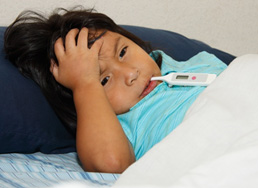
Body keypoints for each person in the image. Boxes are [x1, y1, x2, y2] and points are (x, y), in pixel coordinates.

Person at [4, 7, 227, 173]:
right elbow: (111, 163)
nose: (130, 74)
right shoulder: (120, 129)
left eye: (122, 52)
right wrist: (85, 83)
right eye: (104, 80)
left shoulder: (202, 62)